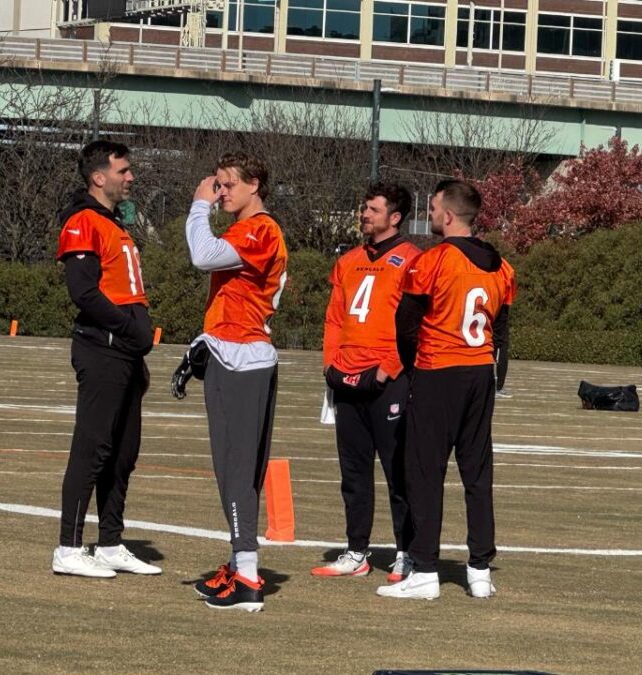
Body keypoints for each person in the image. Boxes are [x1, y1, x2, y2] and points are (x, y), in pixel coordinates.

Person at [378, 179, 516, 601]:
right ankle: (479, 570)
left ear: (450, 215)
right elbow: (502, 335)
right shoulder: (502, 267)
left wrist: (413, 371)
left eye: (435, 207)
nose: (432, 214)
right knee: (477, 473)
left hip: (439, 370)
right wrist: (495, 379)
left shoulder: (433, 260)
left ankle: (424, 569)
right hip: (480, 373)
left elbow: (405, 324)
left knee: (425, 472)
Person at [51, 140, 160, 578]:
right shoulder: (83, 220)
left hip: (125, 352)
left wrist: (134, 340)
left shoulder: (114, 222)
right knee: (92, 448)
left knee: (124, 451)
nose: (130, 177)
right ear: (99, 177)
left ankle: (110, 541)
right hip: (102, 347)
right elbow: (83, 291)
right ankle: (69, 547)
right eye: (122, 171)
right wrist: (128, 327)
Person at [186, 152, 288, 612]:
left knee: (237, 469)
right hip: (234, 350)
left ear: (254, 184)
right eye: (218, 184)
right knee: (231, 467)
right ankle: (238, 561)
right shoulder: (245, 228)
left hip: (244, 356)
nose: (221, 191)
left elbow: (201, 255)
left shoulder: (259, 228)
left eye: (228, 184)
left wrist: (198, 204)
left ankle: (247, 573)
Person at [312, 183, 420, 582]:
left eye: (373, 209)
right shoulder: (348, 260)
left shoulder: (413, 260)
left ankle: (407, 552)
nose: (364, 214)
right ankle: (356, 550)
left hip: (387, 380)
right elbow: (334, 317)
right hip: (347, 377)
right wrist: (329, 363)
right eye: (364, 208)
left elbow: (416, 325)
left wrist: (390, 367)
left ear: (395, 217)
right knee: (353, 471)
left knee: (398, 471)